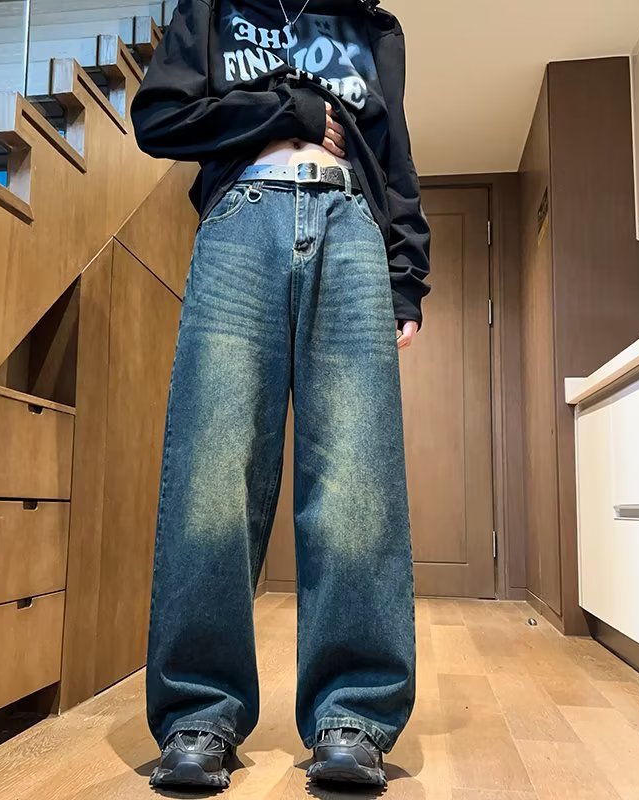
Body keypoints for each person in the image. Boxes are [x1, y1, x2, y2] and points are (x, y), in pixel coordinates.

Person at [130, 0, 431, 789]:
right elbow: (160, 117)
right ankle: (200, 714)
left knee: (356, 479)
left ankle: (352, 715)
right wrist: (286, 109)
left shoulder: (372, 30)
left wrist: (406, 277)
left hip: (352, 225)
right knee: (212, 473)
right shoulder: (214, 9)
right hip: (241, 219)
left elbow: (393, 157)